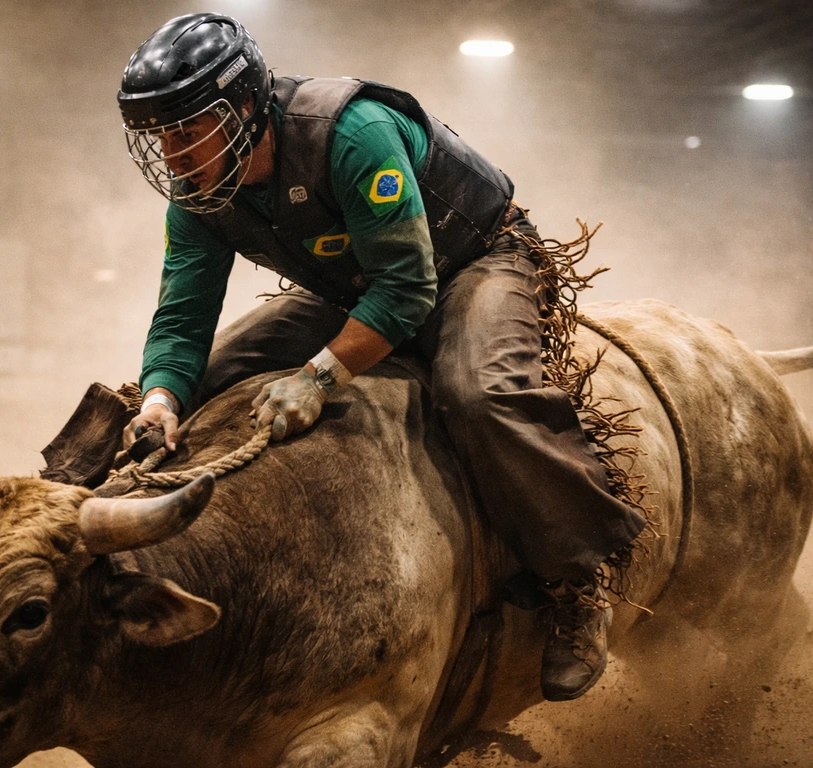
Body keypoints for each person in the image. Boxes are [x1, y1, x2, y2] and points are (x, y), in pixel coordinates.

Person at [116, 12, 646, 702]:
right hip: (360, 282)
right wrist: (161, 401)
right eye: (160, 135)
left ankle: (576, 583)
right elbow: (182, 315)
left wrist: (318, 375)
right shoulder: (199, 194)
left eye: (188, 129)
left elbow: (408, 289)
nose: (175, 154)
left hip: (473, 259)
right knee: (208, 374)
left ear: (244, 104)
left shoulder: (350, 134)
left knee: (478, 393)